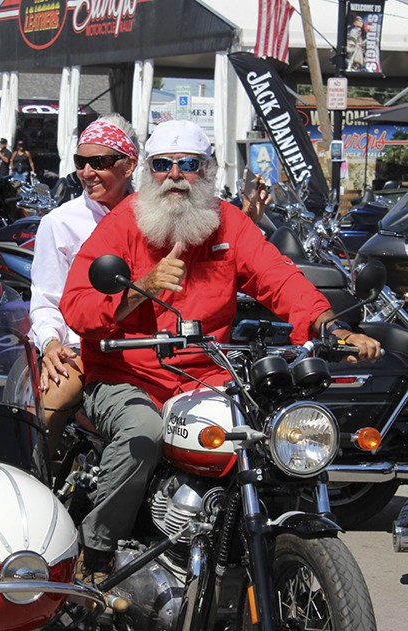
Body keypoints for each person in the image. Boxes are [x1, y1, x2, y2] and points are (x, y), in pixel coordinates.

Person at [59, 120, 382, 578]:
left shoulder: (229, 222)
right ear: (147, 172)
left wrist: (330, 326)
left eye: (188, 165)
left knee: (270, 435)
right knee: (144, 431)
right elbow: (76, 307)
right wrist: (138, 289)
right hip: (127, 375)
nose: (175, 176)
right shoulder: (121, 225)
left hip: (209, 376)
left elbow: (279, 277)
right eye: (163, 165)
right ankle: (97, 554)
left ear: (208, 170)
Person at [29, 115, 138, 455]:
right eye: (81, 162)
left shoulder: (155, 212)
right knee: (50, 401)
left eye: (100, 162)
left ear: (129, 165)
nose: (87, 172)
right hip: (85, 347)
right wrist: (50, 345)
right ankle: (31, 479)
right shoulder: (59, 222)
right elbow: (46, 299)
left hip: (147, 345)